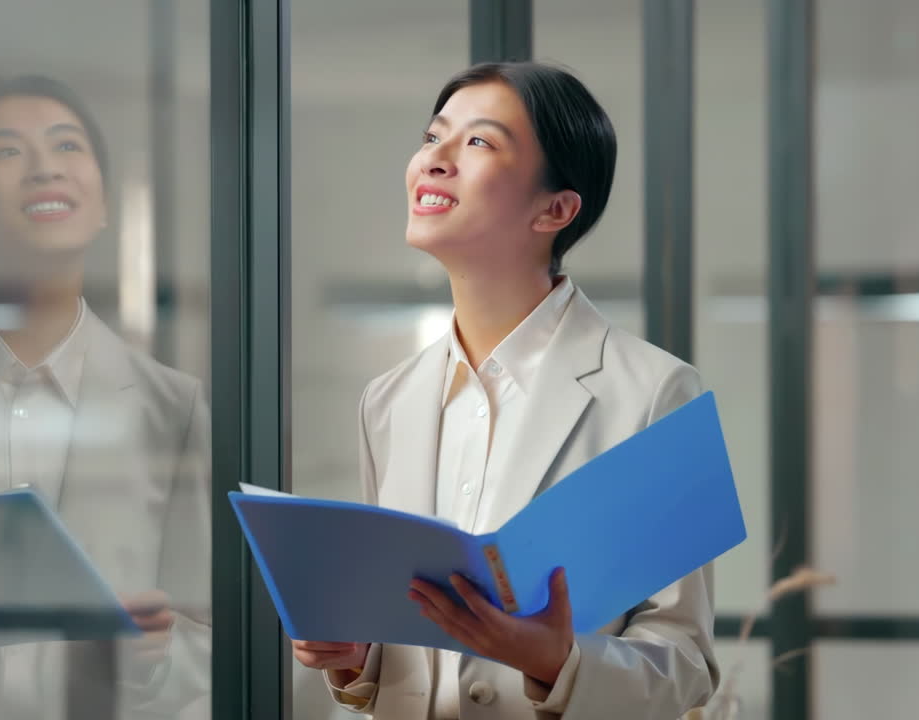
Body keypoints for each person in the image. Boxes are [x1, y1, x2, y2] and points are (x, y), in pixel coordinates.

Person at [291, 62, 720, 719]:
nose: (435, 160)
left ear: (556, 209)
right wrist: (357, 656)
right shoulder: (388, 401)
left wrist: (557, 663)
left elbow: (686, 663)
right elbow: (407, 653)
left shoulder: (658, 392)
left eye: (479, 142)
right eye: (433, 137)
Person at [0, 75, 210, 720]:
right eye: (6, 152)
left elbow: (211, 636)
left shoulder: (173, 406)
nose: (44, 169)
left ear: (104, 202)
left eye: (67, 146)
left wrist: (154, 660)